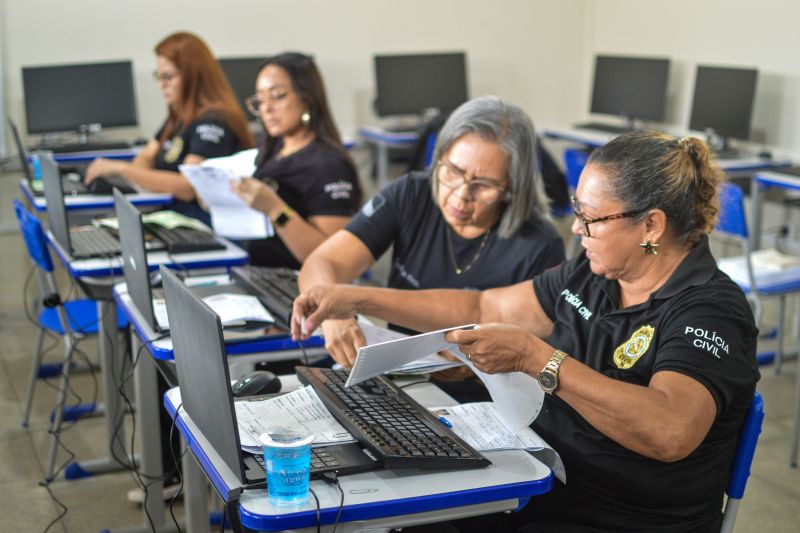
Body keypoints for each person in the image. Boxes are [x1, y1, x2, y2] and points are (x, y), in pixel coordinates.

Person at [292, 131, 760, 532]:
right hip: (539, 480)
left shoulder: (710, 310)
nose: (576, 228)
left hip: (618, 517)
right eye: (577, 211)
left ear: (651, 226)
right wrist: (358, 297)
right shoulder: (595, 273)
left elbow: (670, 430)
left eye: (591, 218)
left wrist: (540, 360)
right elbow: (484, 305)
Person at [298, 96, 565, 367]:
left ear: (512, 187)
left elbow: (539, 355)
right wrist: (334, 314)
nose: (461, 197)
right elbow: (324, 262)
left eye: (484, 185)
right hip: (397, 372)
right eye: (453, 172)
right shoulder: (412, 193)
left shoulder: (540, 244)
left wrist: (475, 367)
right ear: (439, 157)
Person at [85, 31, 254, 224]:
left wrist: (121, 169)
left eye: (168, 77)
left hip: (202, 225)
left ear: (193, 77)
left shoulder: (213, 122)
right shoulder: (179, 116)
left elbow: (186, 188)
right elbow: (145, 158)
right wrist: (147, 176)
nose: (161, 85)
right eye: (159, 76)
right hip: (173, 217)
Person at [231, 52, 362, 269]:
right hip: (256, 271)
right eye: (261, 99)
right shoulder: (273, 148)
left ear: (307, 98)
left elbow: (333, 259)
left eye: (278, 95)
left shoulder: (328, 166)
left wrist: (275, 210)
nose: (267, 108)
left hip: (294, 286)